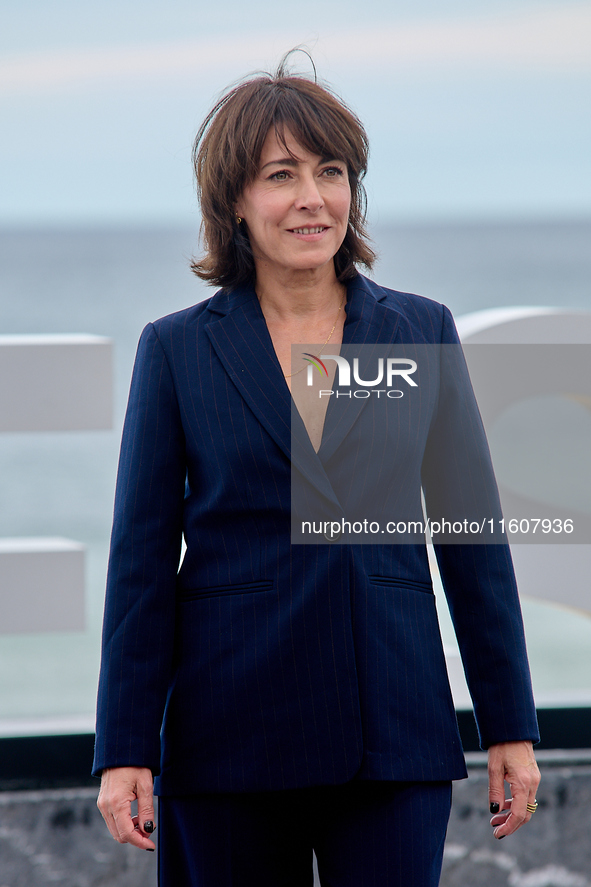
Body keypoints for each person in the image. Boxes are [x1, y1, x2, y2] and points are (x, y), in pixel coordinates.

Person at [93, 57, 541, 887]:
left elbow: (470, 539)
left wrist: (507, 723)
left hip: (393, 727)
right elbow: (141, 564)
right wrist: (124, 749)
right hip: (228, 735)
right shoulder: (177, 349)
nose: (312, 198)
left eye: (329, 172)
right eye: (280, 175)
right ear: (234, 200)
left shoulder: (419, 330)